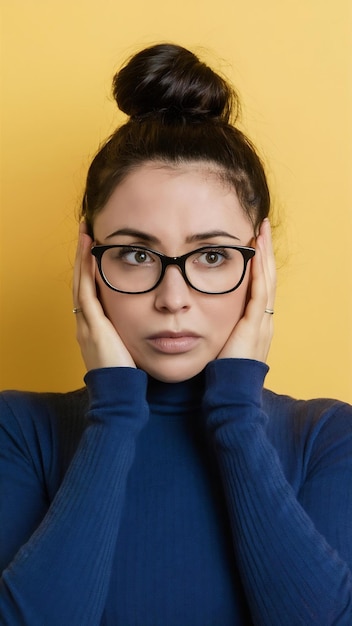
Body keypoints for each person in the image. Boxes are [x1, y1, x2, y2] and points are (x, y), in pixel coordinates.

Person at [0, 43, 351, 626]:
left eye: (212, 255)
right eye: (137, 253)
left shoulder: (326, 438)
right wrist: (113, 412)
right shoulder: (19, 433)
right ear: (89, 261)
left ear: (257, 263)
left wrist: (237, 410)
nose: (173, 298)